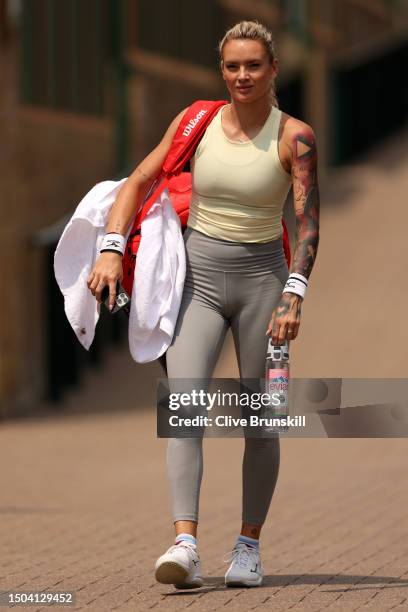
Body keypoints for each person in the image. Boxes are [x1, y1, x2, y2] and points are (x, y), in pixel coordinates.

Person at [87, 20, 320, 589]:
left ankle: (247, 546)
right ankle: (185, 544)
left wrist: (294, 294)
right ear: (223, 71)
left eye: (254, 66)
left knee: (262, 422)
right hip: (201, 280)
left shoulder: (296, 138)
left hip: (264, 282)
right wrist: (112, 250)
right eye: (233, 66)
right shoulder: (198, 120)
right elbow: (139, 180)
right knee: (184, 407)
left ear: (272, 70)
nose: (243, 76)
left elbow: (309, 225)